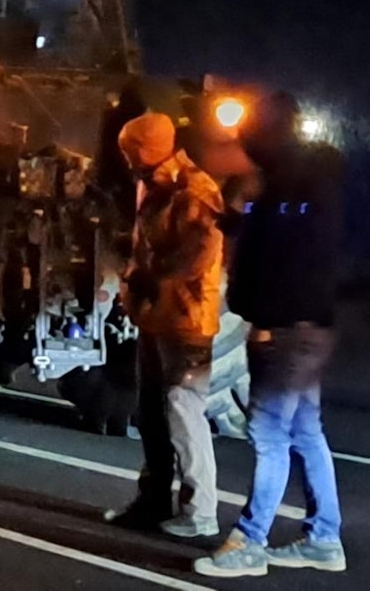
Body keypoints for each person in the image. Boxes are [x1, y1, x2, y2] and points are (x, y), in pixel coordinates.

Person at [195, 93, 347, 577]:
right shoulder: (312, 182)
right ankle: (324, 538)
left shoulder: (284, 184)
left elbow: (282, 260)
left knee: (269, 434)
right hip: (312, 325)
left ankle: (250, 540)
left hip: (284, 328)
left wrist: (261, 316)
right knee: (305, 430)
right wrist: (239, 222)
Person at [105, 112, 225, 538]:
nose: (125, 160)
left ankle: (200, 511)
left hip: (186, 321)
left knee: (183, 411)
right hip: (157, 317)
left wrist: (150, 276)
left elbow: (199, 253)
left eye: (130, 151)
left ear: (146, 150)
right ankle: (153, 500)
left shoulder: (193, 190)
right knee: (153, 414)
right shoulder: (154, 185)